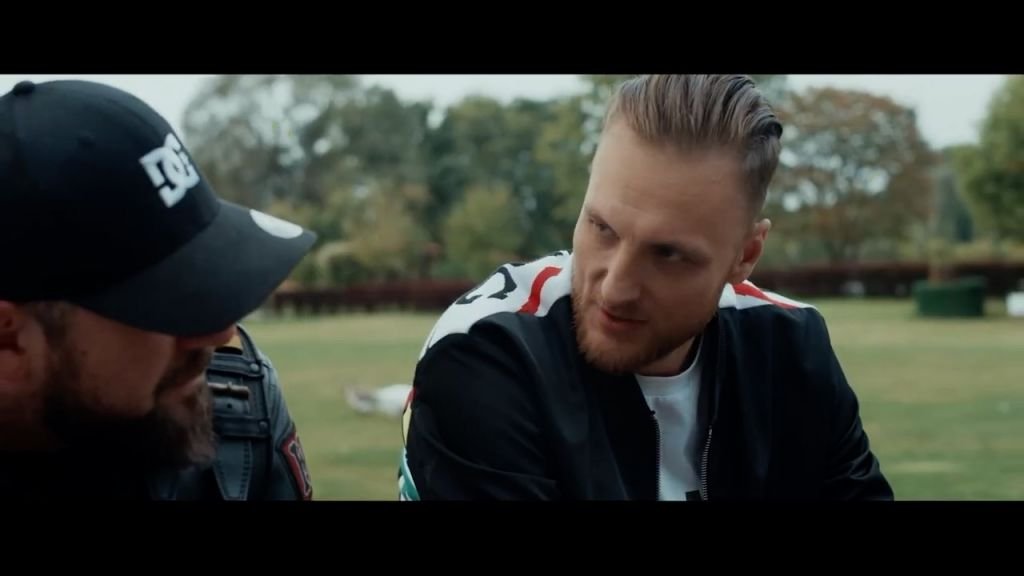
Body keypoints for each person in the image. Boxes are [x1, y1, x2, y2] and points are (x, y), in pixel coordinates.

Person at [399, 75, 893, 501]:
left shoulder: (791, 348)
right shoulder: (488, 351)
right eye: (602, 228)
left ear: (745, 255)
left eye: (668, 255)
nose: (615, 288)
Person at [0, 79, 316, 500]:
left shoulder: (240, 412)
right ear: (9, 340)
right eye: (161, 303)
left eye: (199, 281)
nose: (220, 334)